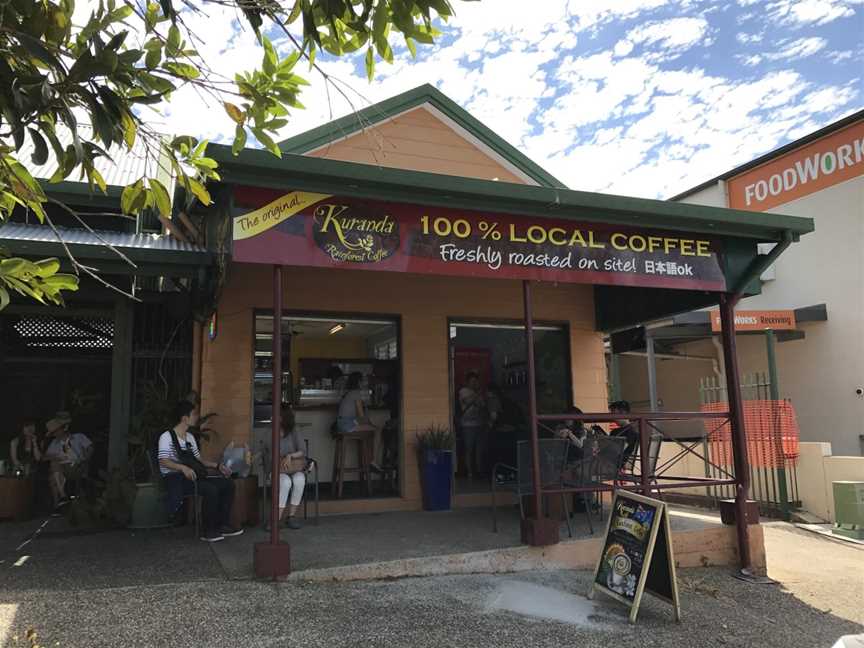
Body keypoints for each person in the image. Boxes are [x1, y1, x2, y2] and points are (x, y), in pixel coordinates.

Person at [158, 401, 244, 543]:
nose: (196, 417)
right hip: (175, 478)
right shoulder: (167, 437)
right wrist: (182, 468)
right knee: (210, 489)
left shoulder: (190, 438)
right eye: (194, 414)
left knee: (227, 484)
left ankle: (222, 524)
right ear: (184, 418)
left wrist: (217, 466)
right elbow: (163, 460)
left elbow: (199, 461)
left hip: (193, 476)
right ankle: (209, 530)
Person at [268, 407, 306, 530]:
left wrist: (289, 456)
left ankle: (292, 516)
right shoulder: (271, 430)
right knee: (285, 482)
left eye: (277, 415)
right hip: (278, 469)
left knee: (300, 479)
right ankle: (276, 519)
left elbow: (302, 451)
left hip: (293, 467)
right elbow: (264, 450)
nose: (274, 417)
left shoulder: (294, 430)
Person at [44, 412, 92, 508]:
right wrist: (56, 457)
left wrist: (84, 459)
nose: (55, 434)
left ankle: (61, 499)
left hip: (78, 466)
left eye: (56, 431)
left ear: (63, 428)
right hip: (62, 469)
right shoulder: (55, 443)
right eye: (53, 433)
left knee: (54, 470)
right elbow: (45, 457)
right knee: (53, 475)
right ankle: (59, 504)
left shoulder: (78, 437)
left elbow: (90, 448)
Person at [336, 372, 381, 471]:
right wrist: (370, 424)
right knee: (376, 430)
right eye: (363, 380)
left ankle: (368, 461)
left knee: (370, 431)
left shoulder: (349, 393)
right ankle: (372, 461)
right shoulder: (356, 393)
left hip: (341, 424)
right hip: (346, 425)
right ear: (359, 382)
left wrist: (368, 423)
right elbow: (361, 416)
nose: (365, 382)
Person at [458, 371, 487, 479]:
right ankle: (469, 472)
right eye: (472, 381)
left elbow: (483, 406)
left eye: (476, 381)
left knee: (479, 449)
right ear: (468, 382)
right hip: (468, 425)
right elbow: (468, 401)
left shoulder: (479, 393)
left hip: (479, 424)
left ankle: (479, 470)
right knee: (468, 449)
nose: (475, 383)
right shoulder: (464, 391)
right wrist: (477, 394)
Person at [609, 400, 639, 465]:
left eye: (614, 414)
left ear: (623, 413)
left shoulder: (631, 432)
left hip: (613, 465)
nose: (613, 418)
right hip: (607, 462)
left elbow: (618, 450)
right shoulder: (615, 431)